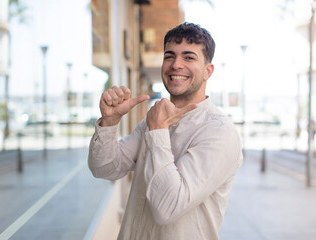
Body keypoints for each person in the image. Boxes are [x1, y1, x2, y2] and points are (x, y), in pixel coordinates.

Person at [88, 22, 243, 240]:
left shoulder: (218, 132)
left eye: (189, 57)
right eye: (169, 56)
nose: (176, 65)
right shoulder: (152, 122)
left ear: (208, 71)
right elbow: (104, 168)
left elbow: (167, 208)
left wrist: (158, 130)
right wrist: (109, 122)